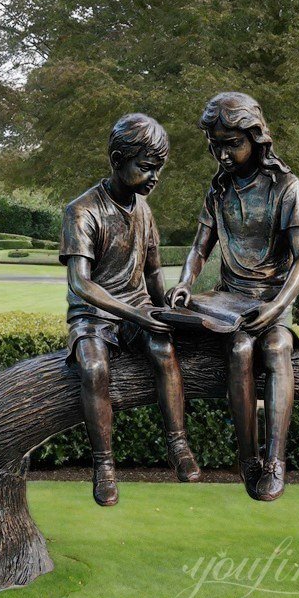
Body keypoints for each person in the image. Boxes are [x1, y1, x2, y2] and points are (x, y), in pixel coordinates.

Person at [167, 92, 299, 501]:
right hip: (228, 299)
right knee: (237, 349)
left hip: (271, 300)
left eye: (232, 143)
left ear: (255, 137)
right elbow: (199, 248)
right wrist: (184, 283)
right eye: (217, 146)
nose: (224, 154)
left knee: (278, 346)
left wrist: (278, 306)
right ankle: (247, 458)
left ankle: (276, 461)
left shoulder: (285, 186)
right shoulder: (218, 190)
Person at [60, 113, 201, 506]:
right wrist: (135, 314)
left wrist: (166, 305)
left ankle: (178, 444)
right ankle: (104, 465)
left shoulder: (144, 208)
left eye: (159, 168)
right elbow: (80, 283)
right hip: (94, 313)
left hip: (137, 308)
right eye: (146, 166)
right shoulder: (81, 211)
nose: (154, 177)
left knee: (162, 349)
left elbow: (153, 269)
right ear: (118, 159)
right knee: (93, 368)